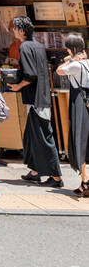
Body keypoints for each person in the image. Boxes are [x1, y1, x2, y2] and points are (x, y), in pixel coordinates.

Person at [8, 16, 63, 187]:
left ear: (22, 30)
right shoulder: (39, 45)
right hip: (41, 96)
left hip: (36, 99)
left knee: (43, 136)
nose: (13, 31)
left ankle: (56, 177)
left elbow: (30, 75)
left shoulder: (24, 46)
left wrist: (17, 86)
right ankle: (35, 171)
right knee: (32, 136)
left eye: (15, 28)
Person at [57, 33, 89, 197]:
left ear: (71, 49)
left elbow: (59, 70)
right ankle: (84, 181)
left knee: (79, 142)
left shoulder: (76, 66)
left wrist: (71, 59)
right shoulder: (87, 63)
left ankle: (85, 180)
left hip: (79, 105)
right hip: (87, 103)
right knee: (85, 142)